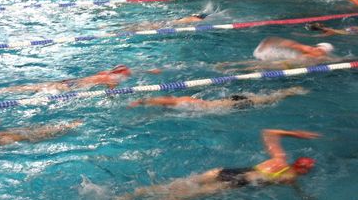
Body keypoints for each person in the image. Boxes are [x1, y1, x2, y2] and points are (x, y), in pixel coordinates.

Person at [116, 129, 320, 200]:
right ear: (302, 169)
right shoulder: (290, 177)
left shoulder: (280, 159)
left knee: (178, 185)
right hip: (234, 183)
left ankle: (130, 196)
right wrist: (305, 198)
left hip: (223, 171)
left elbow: (269, 133)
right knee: (184, 196)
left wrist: (295, 134)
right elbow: (296, 189)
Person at [0, 65, 158, 95]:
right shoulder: (111, 80)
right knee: (38, 89)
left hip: (71, 81)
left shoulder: (104, 73)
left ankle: (0, 91)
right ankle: (0, 92)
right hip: (71, 88)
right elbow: (111, 93)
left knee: (35, 87)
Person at [128, 87, 307, 110]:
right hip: (228, 101)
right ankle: (287, 92)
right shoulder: (184, 99)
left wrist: (141, 101)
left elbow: (161, 101)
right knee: (266, 98)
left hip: (231, 103)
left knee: (268, 99)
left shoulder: (179, 102)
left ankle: (289, 91)